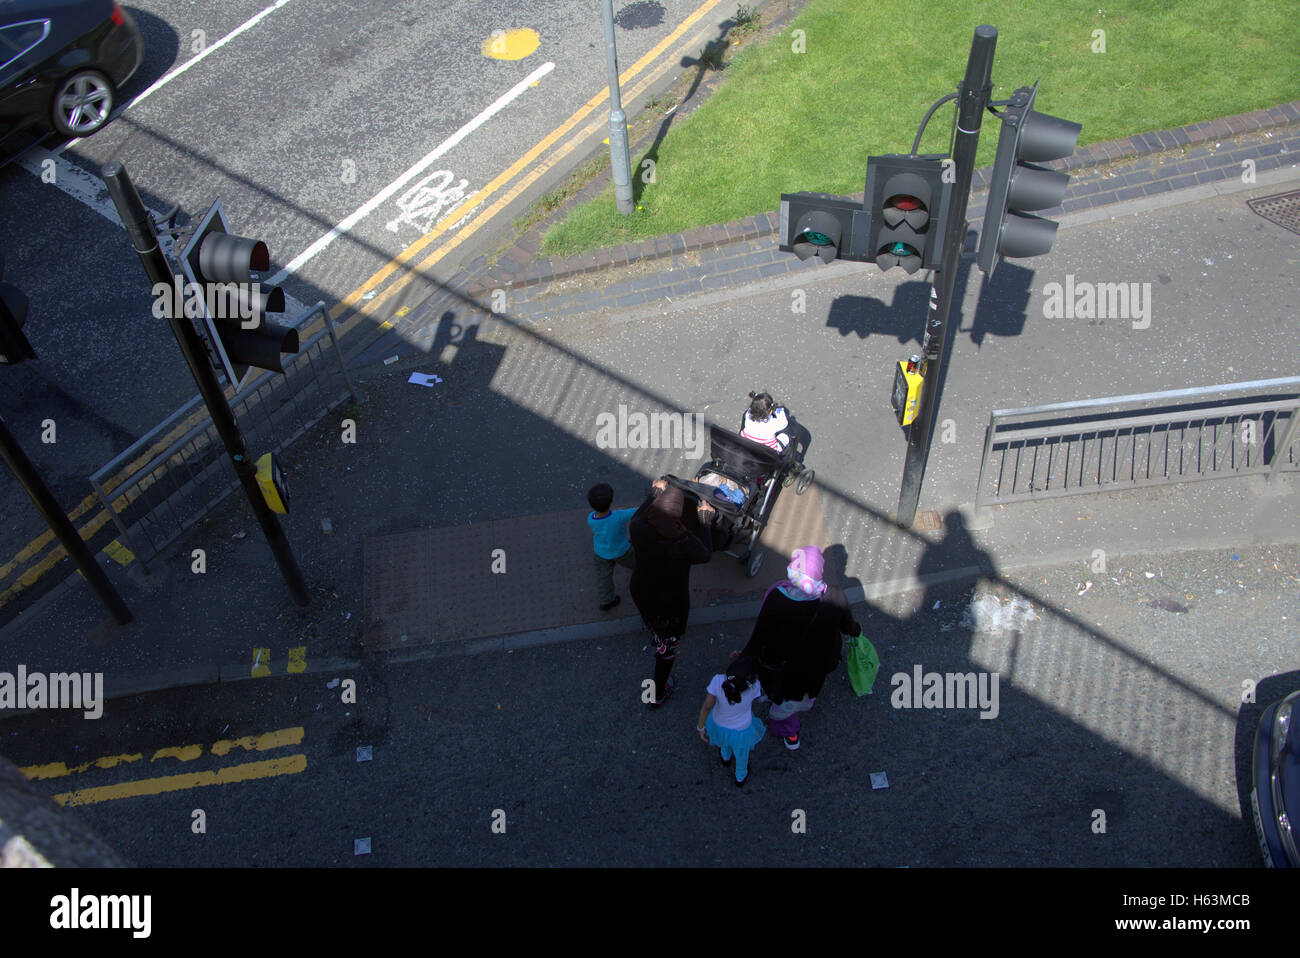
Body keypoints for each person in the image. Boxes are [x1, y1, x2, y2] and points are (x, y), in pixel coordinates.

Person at [738, 545, 861, 750]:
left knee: (783, 697)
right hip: (816, 666)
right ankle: (791, 735)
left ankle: (787, 728)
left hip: (783, 666)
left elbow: (760, 634)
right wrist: (858, 631)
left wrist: (744, 658)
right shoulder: (834, 597)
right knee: (797, 697)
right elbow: (849, 627)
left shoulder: (778, 597)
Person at [628, 478, 715, 707]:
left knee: (651, 620)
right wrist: (705, 521)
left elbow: (645, 509)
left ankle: (653, 633)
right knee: (667, 650)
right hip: (669, 606)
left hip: (641, 590)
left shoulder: (638, 527)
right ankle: (657, 692)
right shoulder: (684, 541)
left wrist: (655, 492)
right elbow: (706, 555)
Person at [697, 656, 766, 787]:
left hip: (718, 723)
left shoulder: (718, 680)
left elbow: (707, 706)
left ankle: (725, 758)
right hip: (742, 730)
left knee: (723, 742)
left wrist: (701, 727)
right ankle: (740, 776)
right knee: (741, 754)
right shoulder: (754, 685)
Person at [587, 482, 637, 612]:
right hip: (622, 551)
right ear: (611, 501)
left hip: (601, 552)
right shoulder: (618, 516)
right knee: (638, 564)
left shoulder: (590, 518)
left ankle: (606, 600)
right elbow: (636, 512)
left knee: (604, 578)